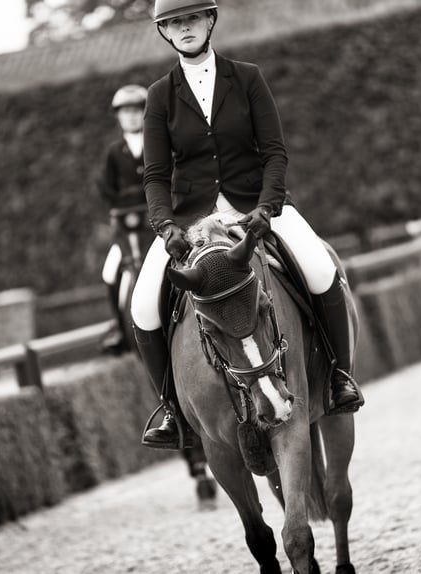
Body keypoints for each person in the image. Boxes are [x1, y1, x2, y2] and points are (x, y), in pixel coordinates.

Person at [132, 0, 365, 449]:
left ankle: (338, 378)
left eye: (192, 18)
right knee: (143, 305)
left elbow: (274, 152)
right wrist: (165, 227)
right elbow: (156, 175)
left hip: (258, 207)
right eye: (174, 22)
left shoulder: (248, 77)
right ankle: (170, 409)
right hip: (190, 222)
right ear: (164, 31)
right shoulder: (160, 95)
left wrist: (266, 207)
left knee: (319, 269)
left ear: (209, 20)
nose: (184, 28)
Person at [95, 84, 148, 352]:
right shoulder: (114, 152)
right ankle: (119, 329)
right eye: (126, 112)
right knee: (109, 273)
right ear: (118, 116)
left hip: (156, 226)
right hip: (127, 231)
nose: (131, 116)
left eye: (137, 111)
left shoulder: (157, 143)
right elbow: (105, 187)